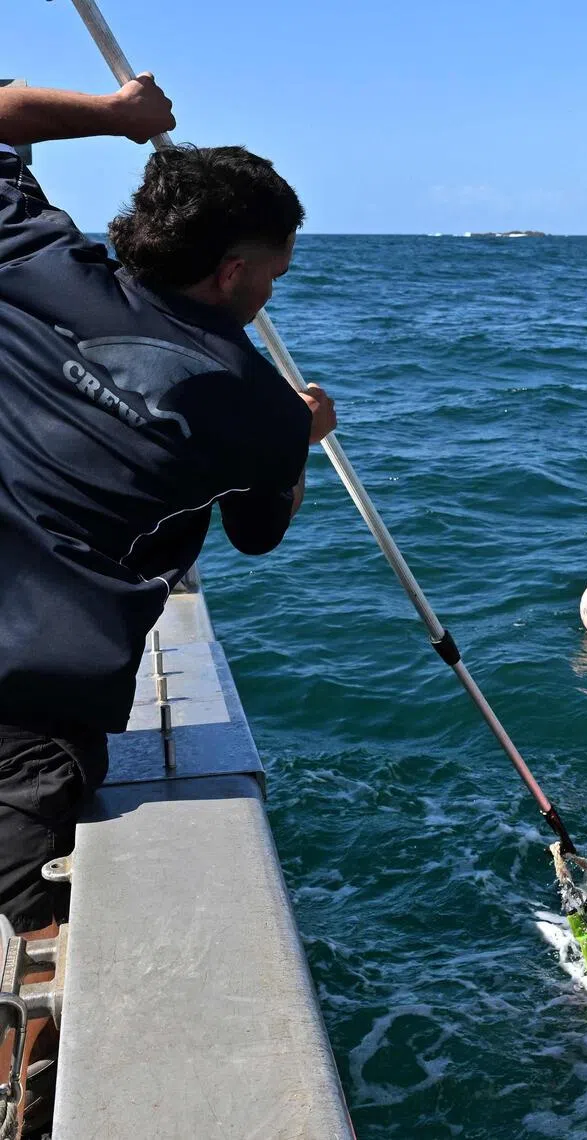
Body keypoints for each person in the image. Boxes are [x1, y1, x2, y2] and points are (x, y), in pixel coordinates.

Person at [0, 74, 336, 941]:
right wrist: (299, 440)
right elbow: (258, 533)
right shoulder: (260, 410)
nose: (272, 293)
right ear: (231, 273)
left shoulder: (32, 255)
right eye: (273, 275)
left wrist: (115, 118)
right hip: (29, 719)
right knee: (39, 946)